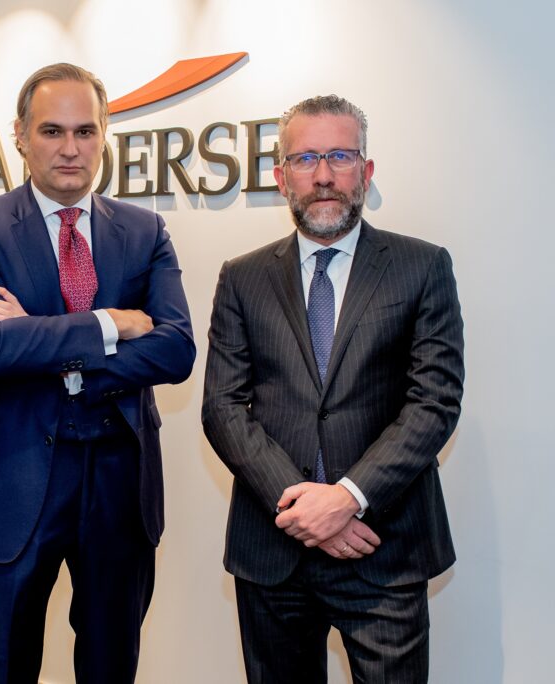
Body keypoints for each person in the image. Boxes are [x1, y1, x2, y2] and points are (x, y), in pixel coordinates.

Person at [0, 63, 195, 682]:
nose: (70, 148)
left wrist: (47, 346)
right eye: (52, 131)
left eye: (85, 131)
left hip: (119, 480)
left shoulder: (144, 230)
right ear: (21, 137)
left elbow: (176, 350)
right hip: (12, 476)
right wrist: (114, 323)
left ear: (104, 136)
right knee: (1, 663)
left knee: (110, 663)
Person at [202, 94, 465, 682]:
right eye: (305, 159)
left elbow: (434, 402)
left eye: (341, 156)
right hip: (273, 551)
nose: (323, 175)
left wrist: (346, 498)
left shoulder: (422, 267)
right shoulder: (242, 277)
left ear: (366, 171)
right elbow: (223, 407)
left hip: (384, 548)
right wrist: (302, 506)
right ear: (281, 177)